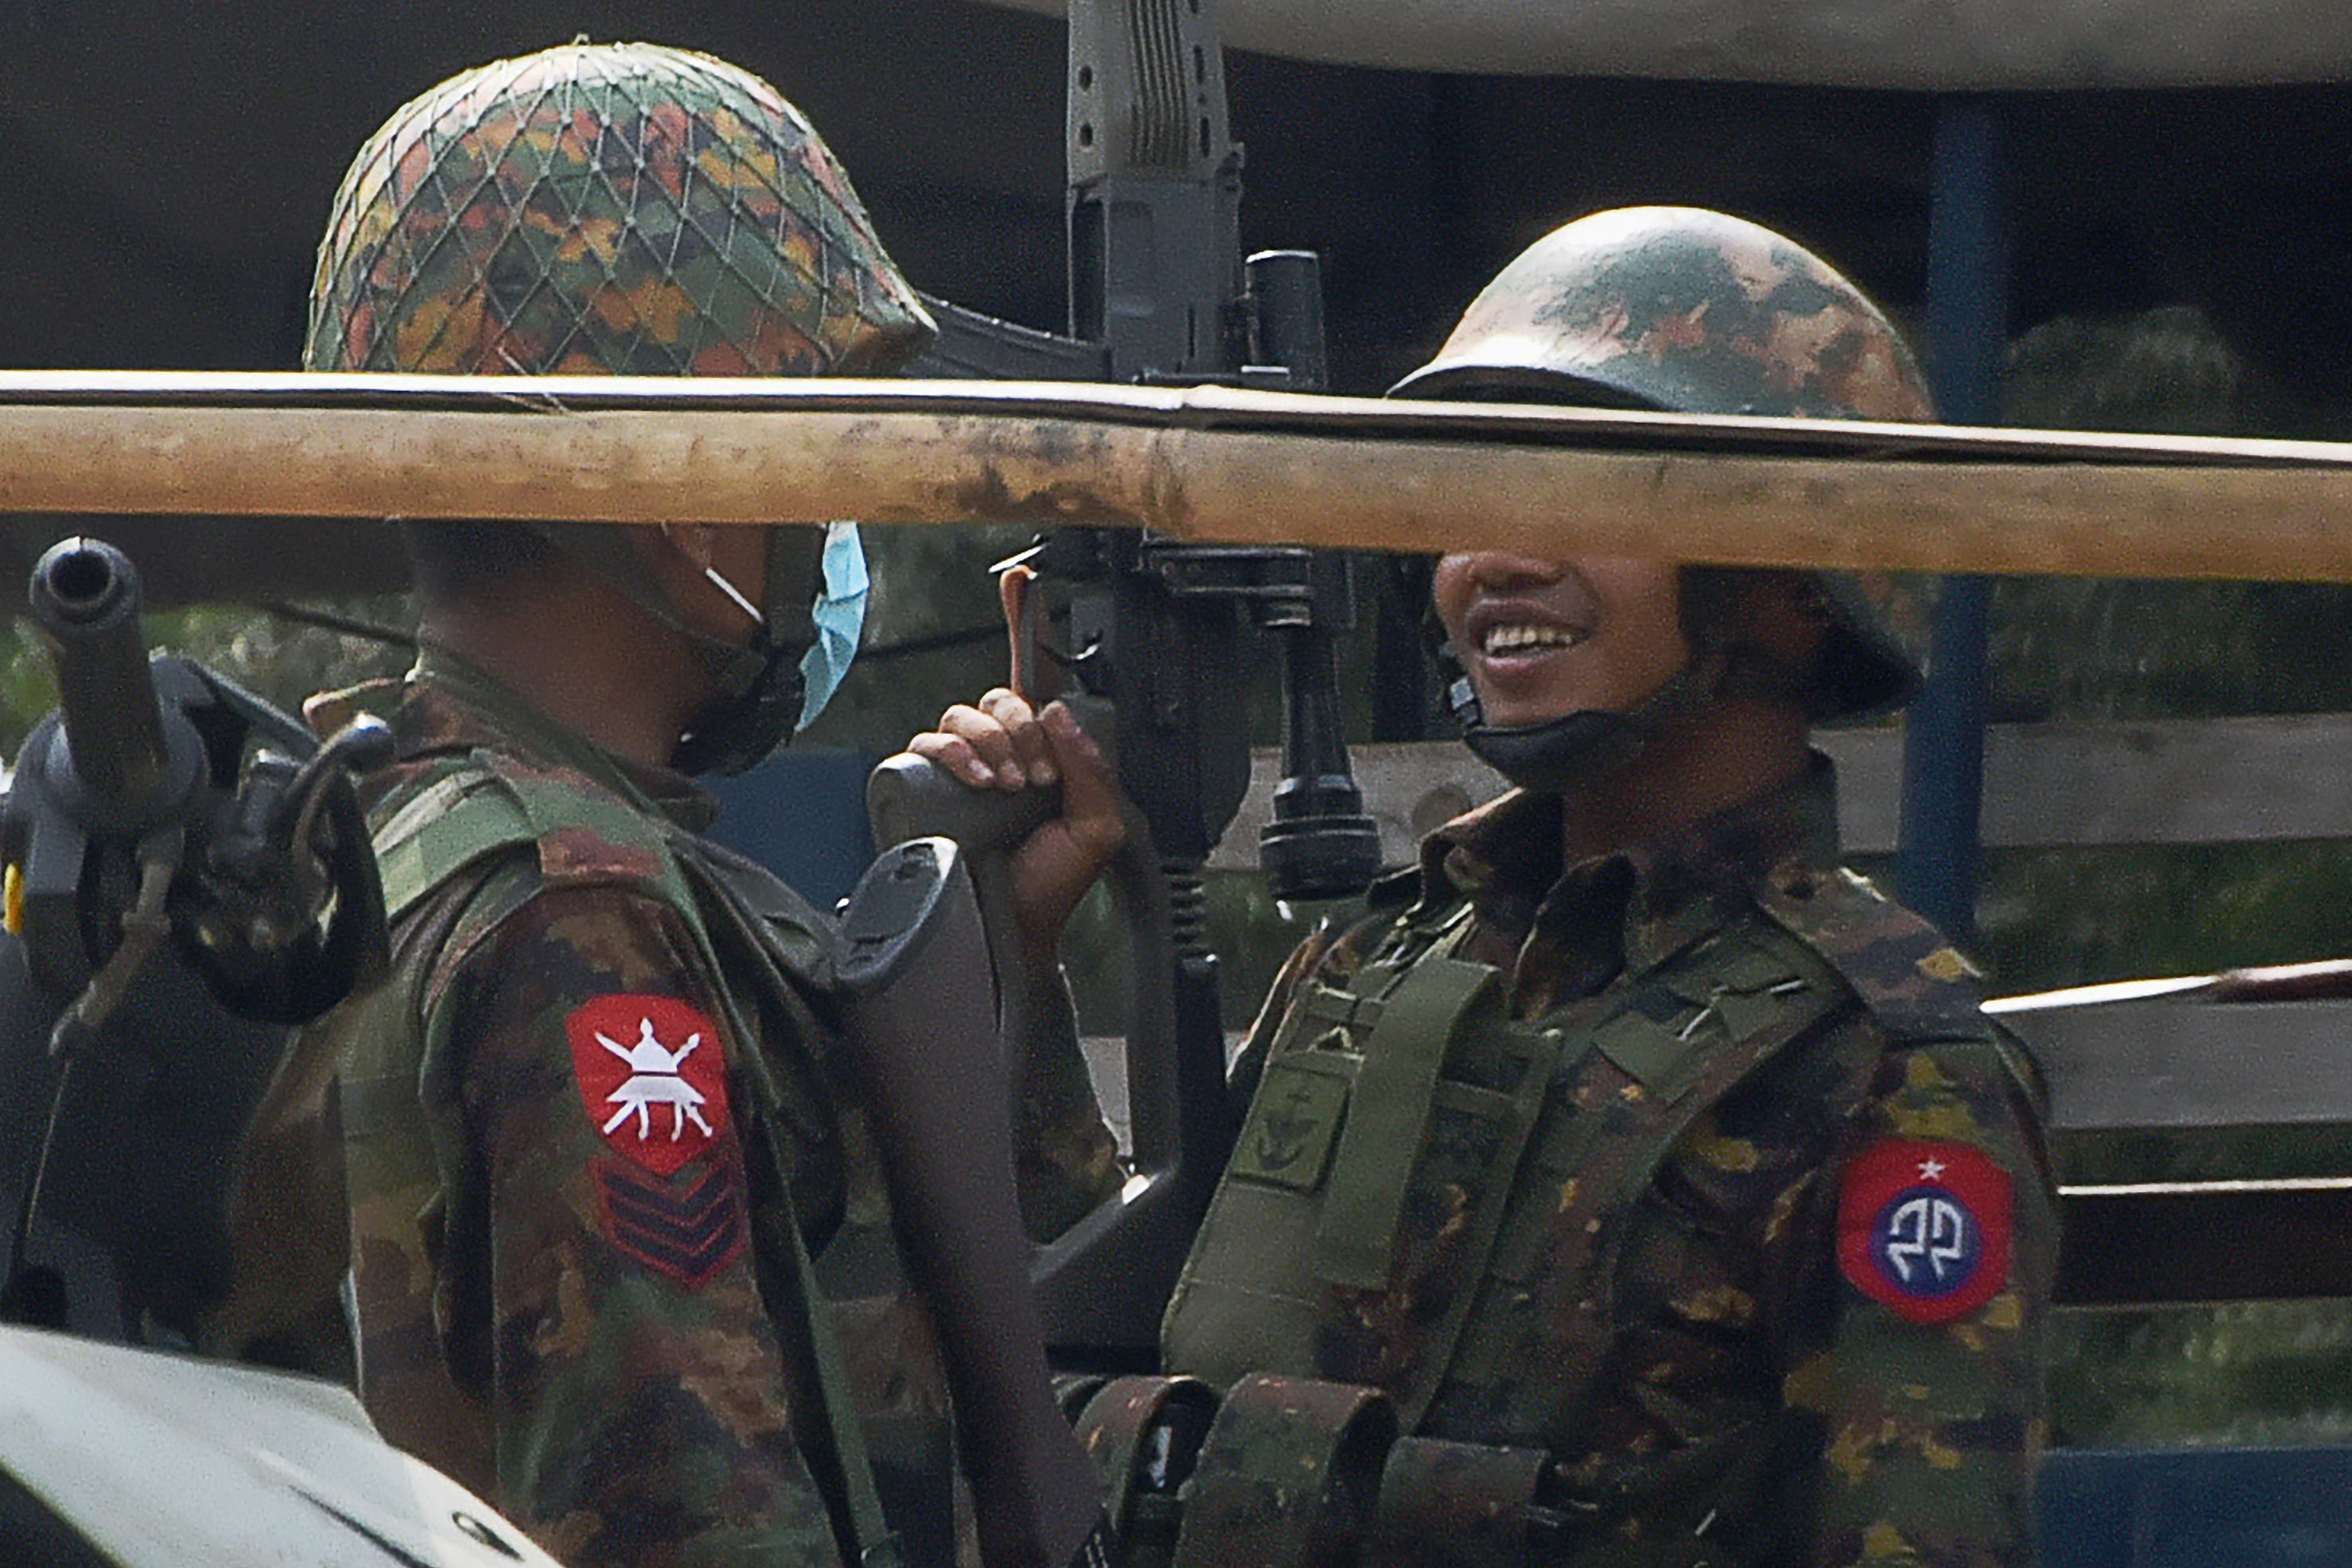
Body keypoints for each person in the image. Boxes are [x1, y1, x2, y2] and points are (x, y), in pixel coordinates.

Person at [912, 207, 2054, 1568]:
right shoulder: (1380, 963)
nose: (1492, 562)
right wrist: (1022, 946)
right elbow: (1114, 1342)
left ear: (1798, 582)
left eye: (1586, 493)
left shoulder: (1889, 1066)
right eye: (1465, 504)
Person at [204, 42, 1121, 1568]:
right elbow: (691, 1519)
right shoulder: (582, 912)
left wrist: (1002, 974)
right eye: (809, 453)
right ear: (687, 488)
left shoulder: (364, 836)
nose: (826, 520)